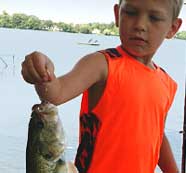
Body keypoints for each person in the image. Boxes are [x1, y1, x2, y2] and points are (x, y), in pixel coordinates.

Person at [21, 0, 183, 172]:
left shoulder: (167, 83)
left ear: (172, 28)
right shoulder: (101, 64)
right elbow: (55, 94)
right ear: (117, 15)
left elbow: (157, 134)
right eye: (130, 13)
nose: (140, 25)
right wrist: (42, 71)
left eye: (154, 17)